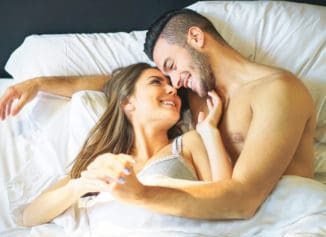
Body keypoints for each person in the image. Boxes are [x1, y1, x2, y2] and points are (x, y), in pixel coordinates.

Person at [0, 9, 316, 220]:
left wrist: (141, 195)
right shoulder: (195, 94)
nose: (174, 84)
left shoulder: (277, 90)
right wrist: (40, 83)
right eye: (164, 79)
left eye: (171, 67)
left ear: (195, 37)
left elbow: (244, 200)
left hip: (280, 218)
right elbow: (119, 86)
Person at [21, 62, 232, 226]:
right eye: (156, 82)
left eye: (172, 86)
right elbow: (30, 216)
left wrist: (210, 132)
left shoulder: (188, 142)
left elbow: (227, 200)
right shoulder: (105, 162)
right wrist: (82, 185)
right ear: (127, 102)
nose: (172, 89)